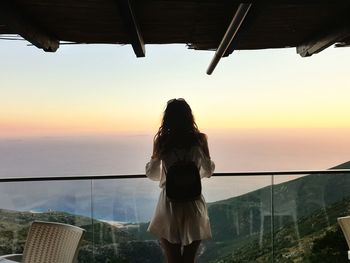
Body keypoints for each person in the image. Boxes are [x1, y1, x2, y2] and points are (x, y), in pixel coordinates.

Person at [146, 98, 215, 263]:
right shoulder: (200, 139)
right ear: (189, 117)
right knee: (189, 259)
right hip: (193, 203)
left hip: (169, 204)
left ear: (167, 118)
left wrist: (157, 159)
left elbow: (153, 174)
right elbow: (208, 170)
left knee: (173, 259)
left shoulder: (162, 141)